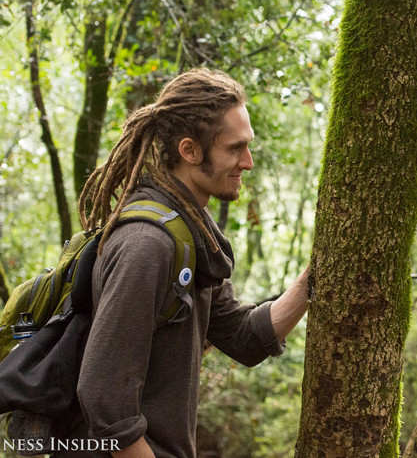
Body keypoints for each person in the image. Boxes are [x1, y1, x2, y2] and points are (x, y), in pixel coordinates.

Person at [54, 68, 309, 458]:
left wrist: (314, 281)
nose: (248, 162)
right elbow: (104, 397)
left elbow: (243, 336)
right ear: (190, 151)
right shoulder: (148, 245)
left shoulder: (187, 234)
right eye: (235, 148)